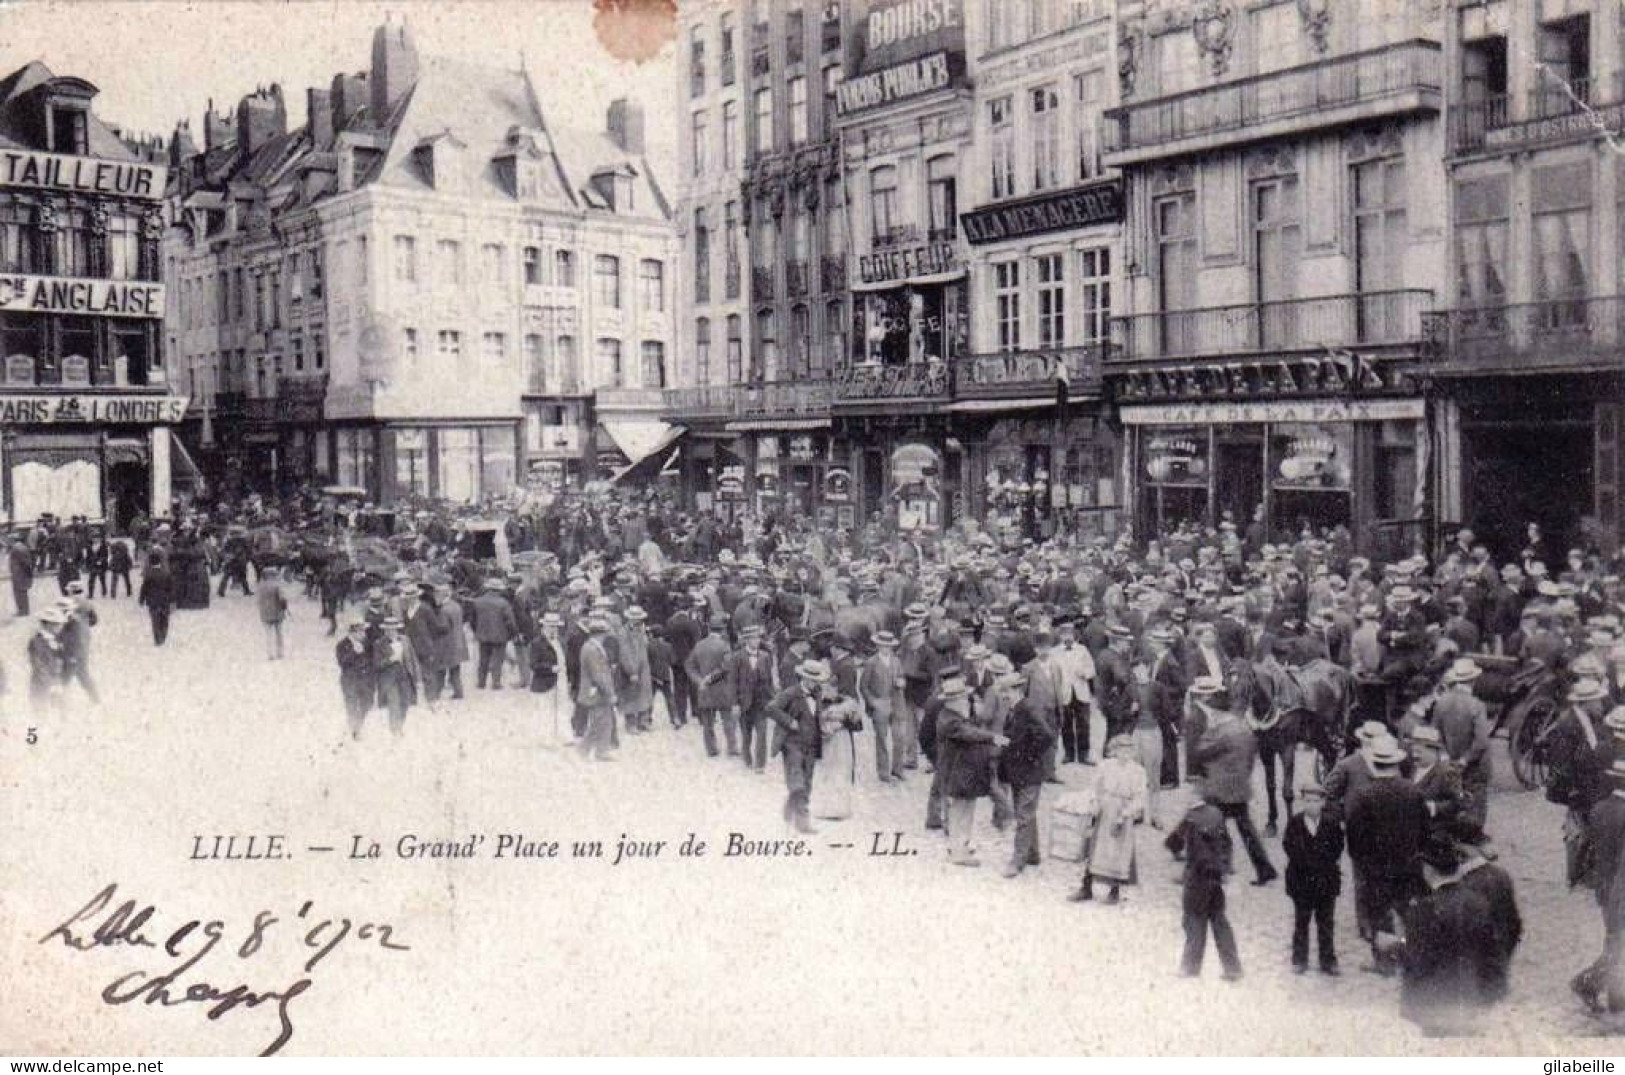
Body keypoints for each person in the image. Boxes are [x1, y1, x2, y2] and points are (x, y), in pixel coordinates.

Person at [1393, 835, 1522, 1036]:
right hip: (1472, 997)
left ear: (1428, 870)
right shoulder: (1478, 903)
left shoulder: (1423, 910)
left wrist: (1395, 945)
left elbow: (1418, 960)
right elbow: (1494, 949)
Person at [1347, 734, 1428, 975]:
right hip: (1409, 865)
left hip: (1376, 870)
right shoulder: (1413, 792)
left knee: (1380, 916)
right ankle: (1419, 958)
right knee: (1410, 912)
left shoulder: (1364, 796)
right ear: (1396, 763)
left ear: (1373, 763)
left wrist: (1363, 863)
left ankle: (1384, 962)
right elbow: (1425, 831)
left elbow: (1354, 839)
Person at [1189, 677, 1277, 886]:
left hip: (1221, 789)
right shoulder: (1244, 729)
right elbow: (1250, 759)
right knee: (1246, 830)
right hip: (1240, 788)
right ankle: (1264, 869)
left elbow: (1200, 751)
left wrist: (1207, 738)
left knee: (1209, 824)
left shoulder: (1221, 731)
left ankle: (1219, 868)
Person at [1166, 782, 1243, 981]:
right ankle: (1232, 967)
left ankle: (1190, 967)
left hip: (1197, 878)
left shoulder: (1190, 818)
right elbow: (1227, 843)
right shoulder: (1217, 814)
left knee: (1193, 920)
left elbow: (1173, 842)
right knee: (1219, 921)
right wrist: (1224, 869)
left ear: (1193, 797)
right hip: (1215, 878)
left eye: (1185, 794)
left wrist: (1178, 860)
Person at [1069, 734, 1147, 904]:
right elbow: (1094, 787)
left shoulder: (1138, 771)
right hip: (1105, 810)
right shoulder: (1105, 766)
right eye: (1121, 749)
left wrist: (1127, 813)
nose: (1125, 753)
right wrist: (1093, 804)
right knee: (1095, 848)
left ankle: (1114, 890)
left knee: (1119, 852)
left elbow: (1140, 796)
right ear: (1114, 750)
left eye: (1128, 749)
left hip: (1123, 812)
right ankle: (1086, 887)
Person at [937, 675, 1004, 866]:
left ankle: (960, 845)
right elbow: (971, 734)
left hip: (962, 772)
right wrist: (993, 737)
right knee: (961, 810)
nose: (966, 700)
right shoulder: (951, 721)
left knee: (965, 809)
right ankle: (958, 852)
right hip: (958, 773)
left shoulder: (954, 716)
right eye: (963, 698)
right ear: (953, 700)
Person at [999, 669, 1056, 879]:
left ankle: (1018, 860)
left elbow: (1047, 735)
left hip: (1029, 771)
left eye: (1005, 691)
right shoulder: (1015, 708)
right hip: (1018, 771)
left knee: (1023, 815)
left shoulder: (1028, 709)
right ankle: (1033, 853)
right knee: (1026, 813)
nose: (1003, 696)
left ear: (1016, 690)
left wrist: (1030, 756)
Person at [1283, 780, 1343, 976]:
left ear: (1323, 803)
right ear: (1303, 802)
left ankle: (1328, 960)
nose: (1312, 805)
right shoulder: (1295, 823)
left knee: (1326, 922)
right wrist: (1306, 862)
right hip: (1301, 881)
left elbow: (1338, 847)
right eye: (1308, 801)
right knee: (1302, 921)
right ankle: (1299, 959)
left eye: (1316, 801)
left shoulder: (1332, 824)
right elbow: (1289, 846)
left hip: (1326, 881)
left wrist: (1323, 863)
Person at [766, 659, 829, 835]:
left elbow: (817, 715)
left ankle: (789, 809)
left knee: (806, 784)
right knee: (798, 783)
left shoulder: (817, 693)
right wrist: (789, 721)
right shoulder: (790, 693)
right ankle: (803, 823)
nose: (815, 683)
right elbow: (771, 708)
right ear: (803, 677)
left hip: (811, 745)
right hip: (791, 744)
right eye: (812, 680)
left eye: (817, 681)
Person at [729, 622, 778, 772]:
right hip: (744, 703)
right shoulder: (737, 657)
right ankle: (747, 758)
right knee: (746, 734)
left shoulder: (765, 657)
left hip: (761, 702)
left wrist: (773, 699)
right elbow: (732, 682)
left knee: (762, 733)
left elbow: (769, 680)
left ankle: (760, 764)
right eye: (753, 638)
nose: (757, 641)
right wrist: (735, 703)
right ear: (746, 640)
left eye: (758, 638)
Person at [859, 629, 906, 782]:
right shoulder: (871, 662)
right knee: (882, 739)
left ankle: (898, 770)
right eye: (883, 645)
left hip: (897, 704)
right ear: (878, 646)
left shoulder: (896, 661)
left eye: (889, 646)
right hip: (880, 704)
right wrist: (873, 702)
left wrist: (902, 683)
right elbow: (863, 686)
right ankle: (884, 773)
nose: (886, 648)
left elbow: (901, 677)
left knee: (899, 738)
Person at [686, 611, 736, 757]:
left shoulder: (699, 645)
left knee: (708, 723)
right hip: (722, 688)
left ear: (709, 629)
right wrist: (711, 677)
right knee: (727, 719)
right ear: (723, 629)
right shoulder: (725, 646)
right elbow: (726, 666)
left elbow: (689, 665)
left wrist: (699, 680)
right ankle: (732, 747)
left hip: (704, 690)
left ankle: (711, 749)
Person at [576, 615, 620, 762]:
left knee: (606, 721)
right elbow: (598, 675)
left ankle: (601, 750)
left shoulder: (592, 647)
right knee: (598, 722)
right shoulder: (592, 649)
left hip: (596, 690)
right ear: (599, 633)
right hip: (596, 691)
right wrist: (610, 693)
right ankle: (584, 750)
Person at [372, 616, 418, 737]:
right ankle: (395, 730)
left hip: (404, 676)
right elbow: (376, 664)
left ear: (397, 629)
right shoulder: (378, 644)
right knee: (394, 704)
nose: (391, 632)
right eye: (388, 629)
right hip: (389, 679)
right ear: (385, 630)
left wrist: (417, 677)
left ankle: (400, 725)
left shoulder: (405, 640)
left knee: (405, 703)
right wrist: (390, 660)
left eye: (393, 629)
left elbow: (413, 659)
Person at [472, 578, 518, 690]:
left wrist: (477, 630)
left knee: (483, 659)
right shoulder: (504, 603)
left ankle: (481, 682)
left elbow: (472, 619)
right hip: (500, 635)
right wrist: (513, 633)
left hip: (482, 634)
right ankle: (496, 682)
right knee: (498, 659)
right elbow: (510, 621)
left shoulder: (478, 601)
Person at [58, 584, 99, 705]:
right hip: (84, 642)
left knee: (64, 678)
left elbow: (61, 626)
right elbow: (94, 621)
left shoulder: (68, 606)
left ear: (71, 591)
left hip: (71, 647)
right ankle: (95, 699)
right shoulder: (87, 603)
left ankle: (61, 705)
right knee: (83, 674)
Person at [336, 620, 376, 739]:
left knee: (368, 702)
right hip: (350, 680)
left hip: (365, 680)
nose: (363, 634)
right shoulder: (342, 645)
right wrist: (354, 652)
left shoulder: (367, 644)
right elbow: (342, 662)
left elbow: (372, 659)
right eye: (360, 631)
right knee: (351, 704)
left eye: (363, 631)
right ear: (353, 632)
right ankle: (355, 729)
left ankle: (358, 723)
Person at [28, 606, 69, 716]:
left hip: (56, 681)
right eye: (57, 624)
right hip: (43, 684)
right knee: (42, 713)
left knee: (61, 712)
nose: (60, 627)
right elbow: (38, 666)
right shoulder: (37, 641)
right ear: (48, 625)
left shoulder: (55, 639)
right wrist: (50, 684)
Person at [137, 552, 175, 647]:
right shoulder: (166, 573)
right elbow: (171, 587)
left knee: (155, 621)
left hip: (152, 601)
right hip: (164, 600)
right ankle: (163, 635)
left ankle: (157, 638)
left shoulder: (149, 575)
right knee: (165, 620)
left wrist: (141, 599)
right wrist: (172, 599)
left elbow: (144, 588)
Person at [257, 566, 290, 661]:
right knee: (279, 633)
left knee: (268, 634)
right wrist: (285, 607)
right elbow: (282, 598)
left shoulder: (260, 586)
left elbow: (259, 600)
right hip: (277, 612)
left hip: (265, 613)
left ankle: (270, 653)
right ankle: (280, 652)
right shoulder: (277, 585)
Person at [9, 529, 35, 617]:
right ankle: (24, 609)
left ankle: (23, 610)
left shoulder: (17, 548)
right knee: (22, 592)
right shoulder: (22, 547)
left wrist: (29, 573)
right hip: (20, 573)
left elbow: (25, 563)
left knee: (19, 592)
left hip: (19, 574)